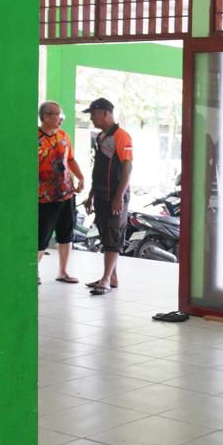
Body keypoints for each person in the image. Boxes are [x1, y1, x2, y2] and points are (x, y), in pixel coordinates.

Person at [81, 98, 133, 296]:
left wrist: (119, 196)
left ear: (104, 113)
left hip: (115, 195)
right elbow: (99, 168)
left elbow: (127, 167)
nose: (92, 118)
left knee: (113, 235)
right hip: (101, 194)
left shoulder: (121, 136)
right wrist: (91, 194)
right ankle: (111, 276)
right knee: (105, 233)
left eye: (93, 114)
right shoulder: (101, 137)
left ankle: (105, 280)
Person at [36, 101, 84, 284]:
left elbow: (70, 159)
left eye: (61, 114)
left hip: (66, 193)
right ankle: (34, 271)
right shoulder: (34, 137)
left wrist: (80, 177)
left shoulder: (64, 136)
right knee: (42, 236)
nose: (60, 119)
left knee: (66, 234)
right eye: (57, 115)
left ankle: (63, 271)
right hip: (44, 197)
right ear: (46, 116)